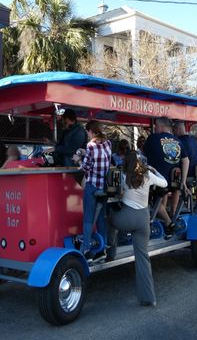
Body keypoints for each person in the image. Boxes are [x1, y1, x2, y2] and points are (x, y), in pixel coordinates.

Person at [107, 150, 167, 307]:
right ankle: (149, 298)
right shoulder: (148, 176)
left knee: (110, 219)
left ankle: (110, 251)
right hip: (143, 220)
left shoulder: (123, 176)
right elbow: (165, 183)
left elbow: (114, 193)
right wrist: (154, 170)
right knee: (143, 258)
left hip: (125, 218)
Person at [72, 120, 112, 263]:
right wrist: (85, 153)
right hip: (104, 186)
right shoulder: (108, 143)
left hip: (92, 185)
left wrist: (78, 160)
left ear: (91, 131)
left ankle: (87, 250)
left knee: (88, 218)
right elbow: (100, 159)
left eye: (88, 132)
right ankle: (102, 250)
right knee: (101, 218)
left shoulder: (90, 145)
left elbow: (86, 167)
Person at [143, 117, 189, 235]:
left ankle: (169, 224)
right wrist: (183, 181)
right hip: (174, 180)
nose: (155, 128)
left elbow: (143, 156)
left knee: (154, 202)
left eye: (156, 126)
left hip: (158, 180)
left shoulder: (153, 138)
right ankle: (162, 222)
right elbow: (186, 160)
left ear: (160, 126)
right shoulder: (178, 141)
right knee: (160, 199)